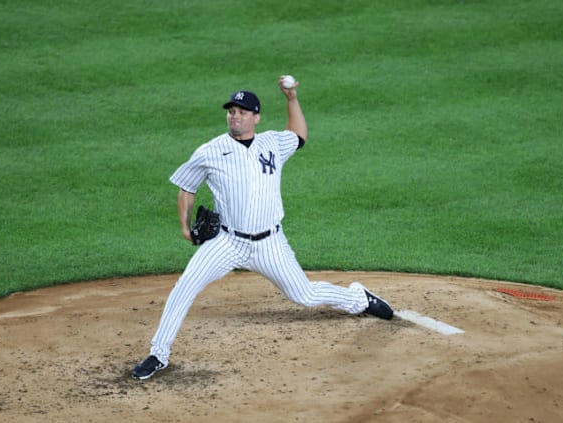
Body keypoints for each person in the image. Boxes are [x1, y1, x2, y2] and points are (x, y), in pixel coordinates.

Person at [132, 76, 393, 380]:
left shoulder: (272, 143)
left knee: (304, 294)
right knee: (185, 286)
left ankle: (359, 298)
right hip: (227, 242)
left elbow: (298, 134)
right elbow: (186, 187)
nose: (235, 116)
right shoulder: (210, 151)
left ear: (256, 117)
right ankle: (158, 354)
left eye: (242, 112)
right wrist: (185, 227)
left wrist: (291, 98)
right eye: (231, 111)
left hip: (270, 243)